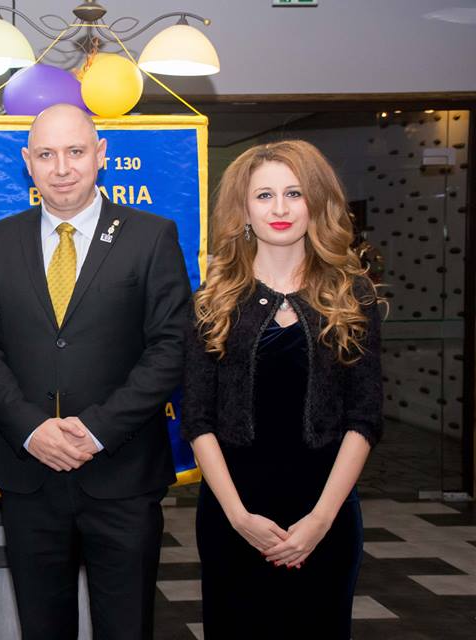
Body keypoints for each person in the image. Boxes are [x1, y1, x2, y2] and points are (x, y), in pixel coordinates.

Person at [0, 104, 191, 639]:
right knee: (42, 627)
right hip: (30, 474)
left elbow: (170, 348)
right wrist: (32, 428)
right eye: (46, 154)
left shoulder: (150, 236)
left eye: (75, 151)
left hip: (123, 472)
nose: (61, 167)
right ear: (27, 162)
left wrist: (96, 430)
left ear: (100, 154)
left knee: (126, 627)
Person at [182, 140, 383, 639]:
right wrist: (238, 518)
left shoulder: (351, 294)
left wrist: (321, 520)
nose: (279, 209)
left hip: (326, 515)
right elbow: (198, 419)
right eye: (264, 195)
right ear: (244, 209)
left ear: (316, 201)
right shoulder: (213, 299)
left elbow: (364, 417)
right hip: (233, 516)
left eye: (294, 193)